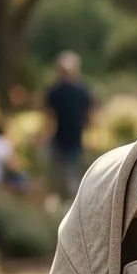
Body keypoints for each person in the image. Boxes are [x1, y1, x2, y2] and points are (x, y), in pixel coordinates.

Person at [45, 51, 93, 198]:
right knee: (71, 176)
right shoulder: (83, 91)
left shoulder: (54, 91)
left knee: (59, 176)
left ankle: (61, 203)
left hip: (60, 138)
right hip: (74, 138)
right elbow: (90, 119)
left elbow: (48, 119)